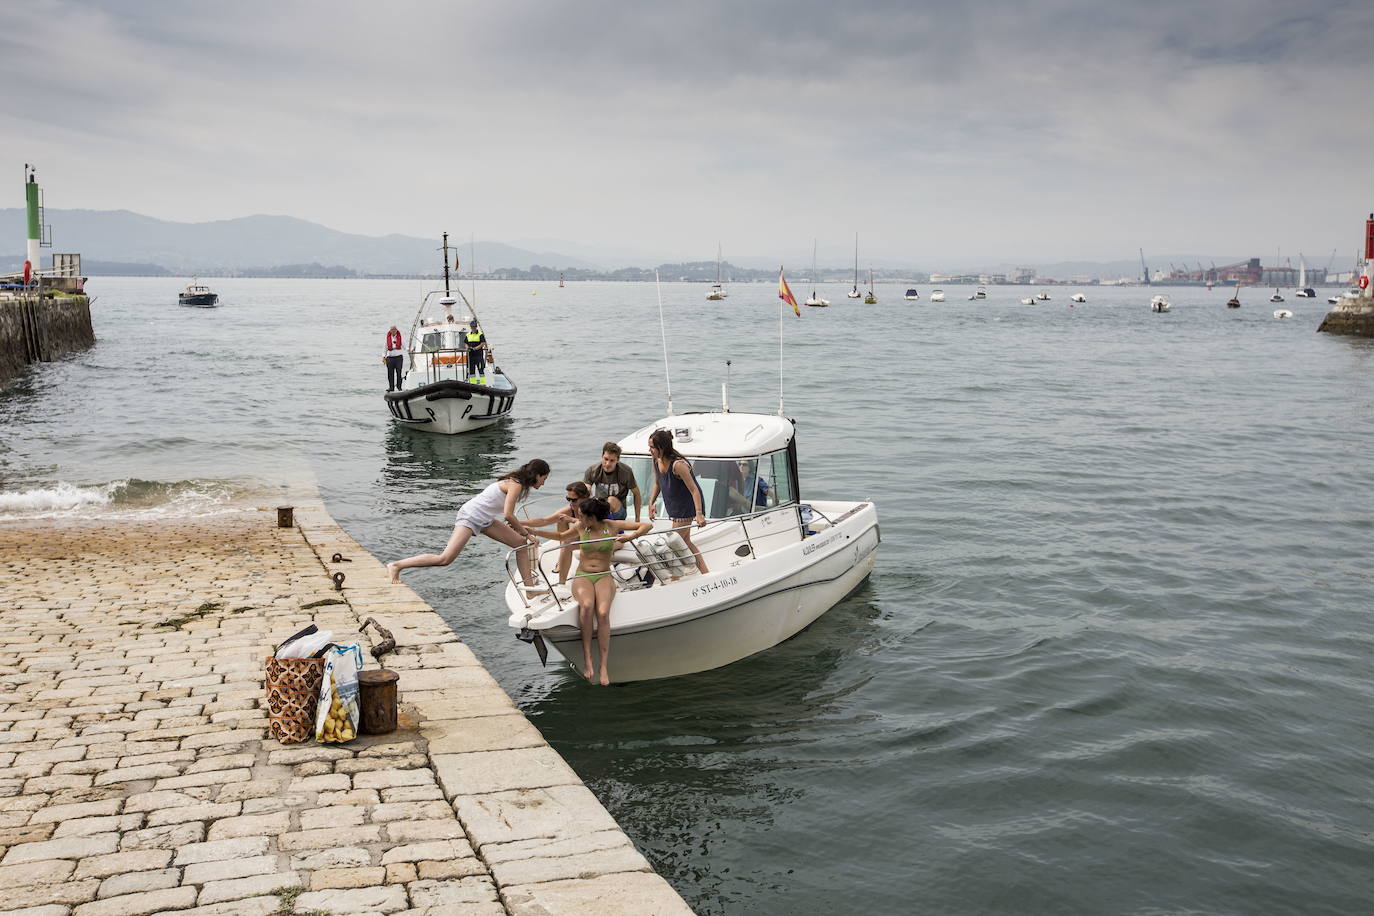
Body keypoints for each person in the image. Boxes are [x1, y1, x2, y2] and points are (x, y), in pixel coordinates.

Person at [526, 496, 651, 685]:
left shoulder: (612, 525)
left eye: (582, 515)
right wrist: (534, 531)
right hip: (583, 575)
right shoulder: (580, 527)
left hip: (603, 575)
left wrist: (630, 537)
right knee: (586, 606)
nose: (579, 518)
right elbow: (561, 537)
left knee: (602, 612)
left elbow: (646, 526)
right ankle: (587, 660)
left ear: (592, 517)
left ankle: (603, 667)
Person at [387, 459, 551, 586]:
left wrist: (521, 532)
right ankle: (396, 565)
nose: (544, 483)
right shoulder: (515, 484)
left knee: (520, 543)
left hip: (485, 519)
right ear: (537, 475)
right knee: (445, 559)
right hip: (471, 516)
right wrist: (528, 533)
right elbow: (508, 515)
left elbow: (503, 513)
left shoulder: (517, 485)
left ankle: (529, 589)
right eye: (544, 478)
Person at [646, 428, 709, 575]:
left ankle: (675, 576)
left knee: (673, 543)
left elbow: (694, 490)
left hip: (685, 508)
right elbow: (657, 483)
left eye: (652, 447)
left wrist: (699, 514)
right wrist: (651, 503)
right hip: (674, 508)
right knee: (685, 542)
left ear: (661, 448)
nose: (650, 450)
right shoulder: (656, 460)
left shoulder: (678, 465)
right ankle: (705, 572)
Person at [584, 442, 641, 522]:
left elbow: (636, 493)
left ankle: (605, 526)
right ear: (602, 457)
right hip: (599, 508)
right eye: (606, 459)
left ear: (617, 460)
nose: (607, 464)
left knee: (611, 500)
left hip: (618, 511)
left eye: (612, 461)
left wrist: (637, 519)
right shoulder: (593, 470)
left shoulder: (626, 472)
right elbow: (586, 489)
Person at [383, 325, 404, 392]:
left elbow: (405, 346)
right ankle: (391, 387)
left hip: (398, 358)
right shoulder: (387, 339)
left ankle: (399, 387)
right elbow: (384, 349)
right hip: (390, 358)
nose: (393, 331)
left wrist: (409, 350)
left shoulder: (400, 338)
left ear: (396, 330)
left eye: (394, 329)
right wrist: (383, 356)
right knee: (390, 373)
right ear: (390, 331)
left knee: (399, 372)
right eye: (392, 329)